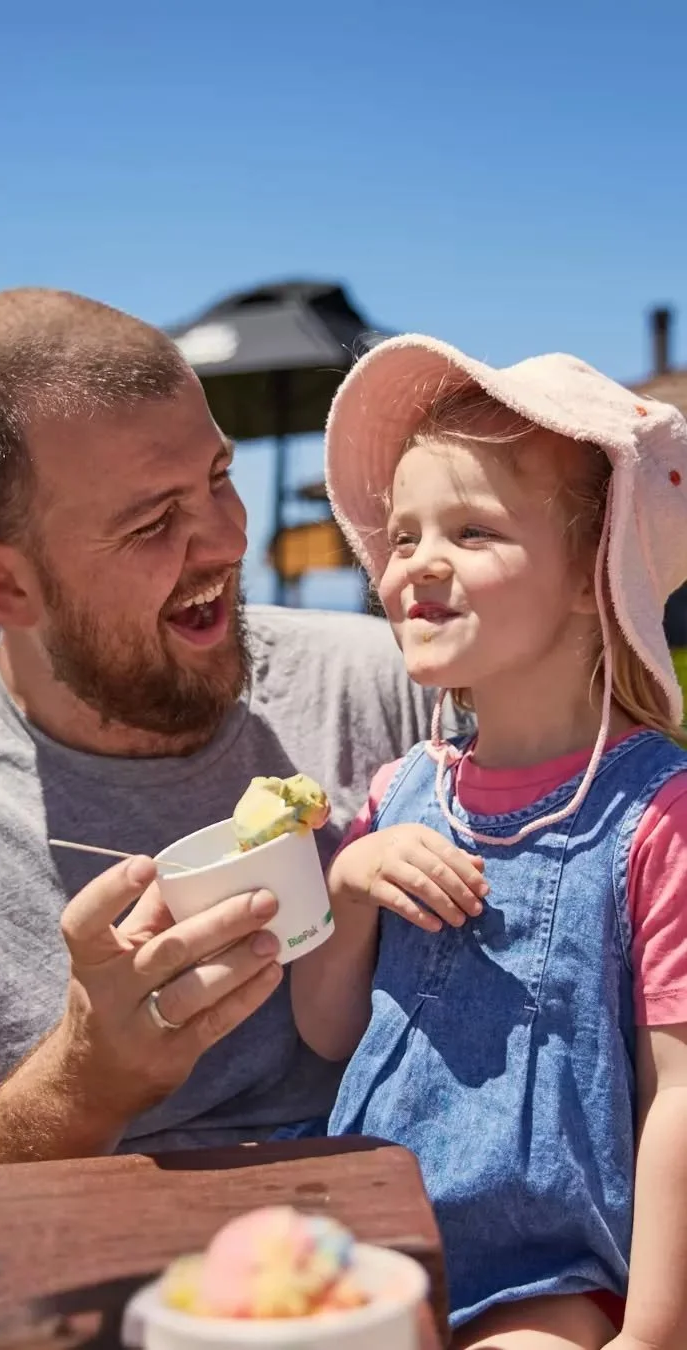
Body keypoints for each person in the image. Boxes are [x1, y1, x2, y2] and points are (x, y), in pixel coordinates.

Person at [0, 287, 440, 1165]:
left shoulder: (386, 689)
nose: (228, 539)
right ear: (1, 586)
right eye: (154, 522)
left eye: (218, 479)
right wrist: (85, 1083)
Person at [286, 335, 687, 1348]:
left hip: (546, 1279)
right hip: (360, 1250)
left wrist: (654, 1334)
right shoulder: (402, 789)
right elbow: (330, 1034)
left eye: (471, 530)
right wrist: (347, 891)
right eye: (404, 533)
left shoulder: (657, 816)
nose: (417, 562)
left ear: (589, 579)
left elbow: (679, 1096)